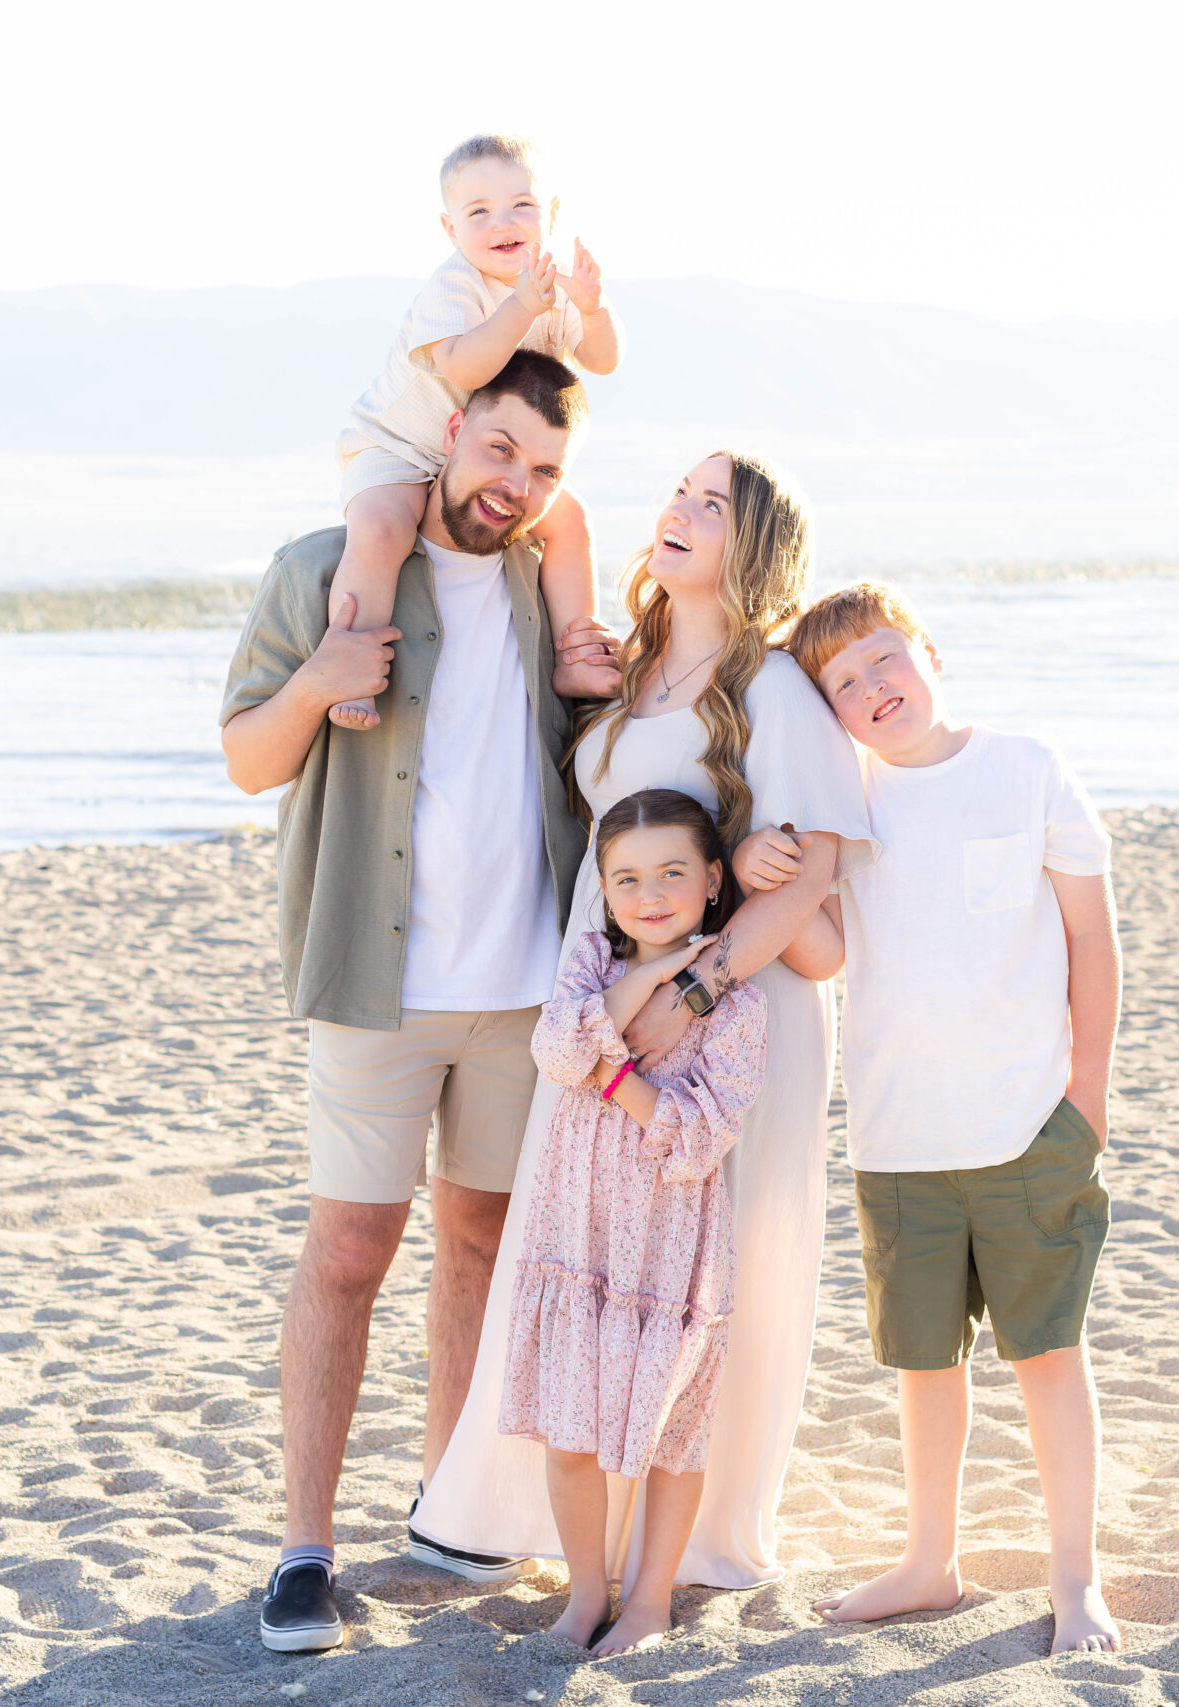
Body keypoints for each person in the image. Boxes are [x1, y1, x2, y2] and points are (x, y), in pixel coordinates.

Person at [413, 449, 877, 1597]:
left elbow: (811, 878)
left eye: (710, 505)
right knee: (574, 1235)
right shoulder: (637, 665)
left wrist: (694, 993)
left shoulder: (774, 688)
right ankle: (527, 1515)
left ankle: (693, 1537)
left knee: (711, 1260)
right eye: (679, 491)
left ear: (751, 545)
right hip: (607, 990)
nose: (678, 510)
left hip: (730, 1013)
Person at [217, 351, 613, 1654]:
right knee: (347, 1251)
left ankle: (452, 1510)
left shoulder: (549, 590)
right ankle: (304, 1551)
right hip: (375, 982)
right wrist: (317, 681)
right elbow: (247, 759)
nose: (516, 485)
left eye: (544, 468)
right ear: (450, 431)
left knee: (482, 1243)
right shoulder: (330, 567)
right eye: (499, 449)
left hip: (522, 990)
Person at [749, 580, 1123, 1655]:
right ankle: (929, 1560)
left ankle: (1075, 1578)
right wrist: (759, 871)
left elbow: (1090, 935)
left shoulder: (1025, 767)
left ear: (929, 653)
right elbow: (823, 952)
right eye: (843, 682)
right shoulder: (845, 807)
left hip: (1027, 1124)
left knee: (1047, 1355)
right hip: (898, 1137)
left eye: (884, 658)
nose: (872, 686)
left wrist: (1087, 1092)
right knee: (925, 1365)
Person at [505, 789, 768, 1655]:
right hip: (577, 1228)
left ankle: (650, 1601)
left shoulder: (739, 1005)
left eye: (672, 873)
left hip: (669, 1235)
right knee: (570, 1426)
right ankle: (585, 1595)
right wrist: (648, 980)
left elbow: (699, 1136)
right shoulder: (591, 959)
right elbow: (555, 1052)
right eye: (627, 878)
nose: (650, 895)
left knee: (671, 1429)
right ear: (604, 887)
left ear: (713, 878)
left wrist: (615, 1079)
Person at [326, 133, 623, 732]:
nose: (502, 223)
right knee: (383, 527)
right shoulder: (454, 285)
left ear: (552, 214)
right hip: (400, 445)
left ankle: (574, 653)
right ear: (451, 229)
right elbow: (466, 368)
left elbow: (603, 360)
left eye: (521, 205)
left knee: (572, 521)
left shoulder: (553, 282)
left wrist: (592, 310)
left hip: (480, 456)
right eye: (479, 211)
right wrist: (523, 307)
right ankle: (349, 667)